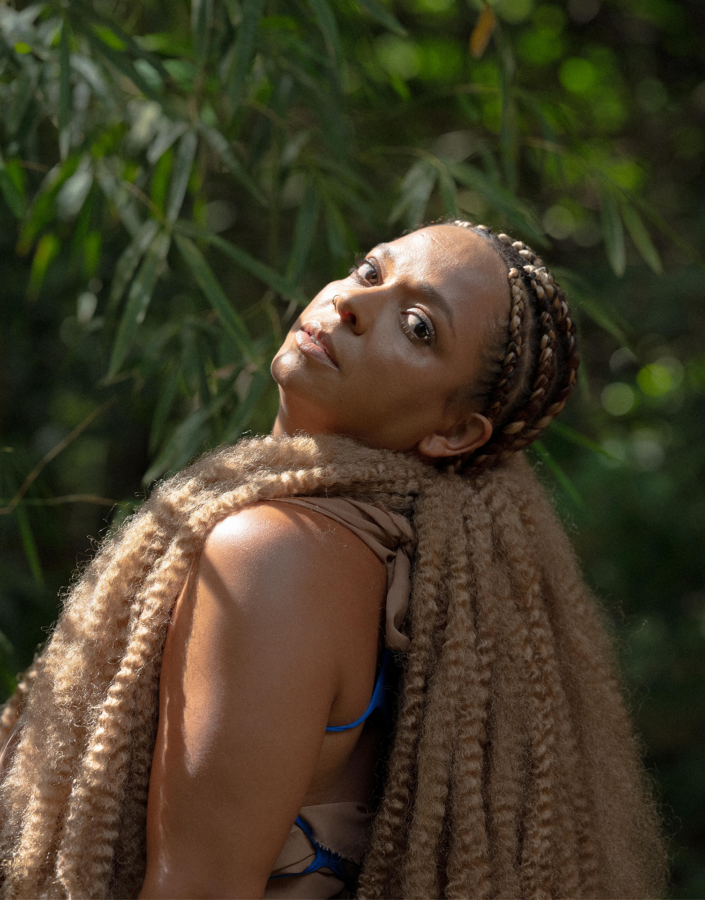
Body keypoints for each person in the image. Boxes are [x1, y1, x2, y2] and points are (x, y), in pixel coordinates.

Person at [0, 222, 664, 900]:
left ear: (454, 431)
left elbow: (200, 886)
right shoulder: (392, 562)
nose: (351, 303)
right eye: (369, 272)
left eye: (416, 326)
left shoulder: (277, 553)